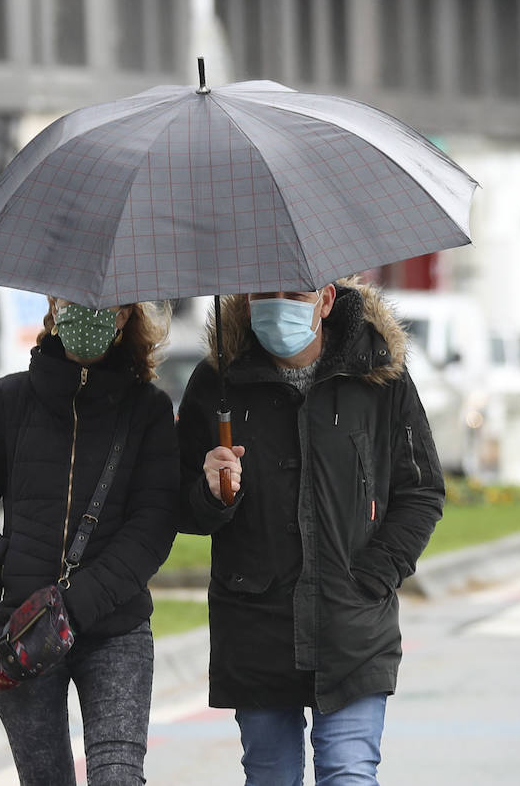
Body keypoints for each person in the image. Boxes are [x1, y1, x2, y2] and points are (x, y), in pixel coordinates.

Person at [176, 278, 445, 786]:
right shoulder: (216, 384)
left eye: (295, 295)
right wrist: (210, 494)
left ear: (324, 300)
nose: (279, 307)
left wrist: (373, 575)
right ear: (245, 300)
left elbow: (421, 491)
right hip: (254, 626)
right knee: (270, 777)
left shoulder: (379, 377)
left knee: (348, 773)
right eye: (263, 294)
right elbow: (178, 506)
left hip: (352, 626)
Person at [0, 298, 179, 785]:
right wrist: (3, 564)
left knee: (117, 777)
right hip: (23, 631)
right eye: (71, 298)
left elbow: (152, 526)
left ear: (124, 314)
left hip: (116, 631)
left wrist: (76, 603)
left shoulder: (149, 410)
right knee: (44, 777)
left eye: (103, 302)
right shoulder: (5, 402)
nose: (85, 310)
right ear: (52, 304)